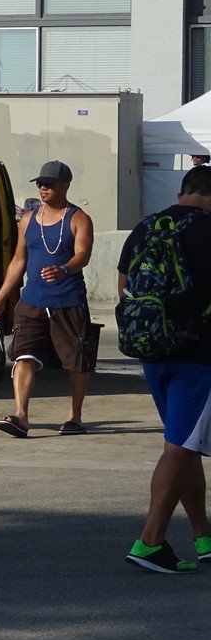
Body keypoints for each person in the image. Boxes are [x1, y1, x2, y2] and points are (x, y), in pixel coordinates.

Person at [119, 165, 211, 573]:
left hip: (152, 350)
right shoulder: (207, 230)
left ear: (183, 191)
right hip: (198, 356)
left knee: (185, 445)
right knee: (179, 448)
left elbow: (124, 283)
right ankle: (150, 542)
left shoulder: (146, 227)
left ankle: (203, 537)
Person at [0, 160, 95, 438]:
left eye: (49, 184)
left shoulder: (79, 218)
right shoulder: (28, 218)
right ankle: (21, 417)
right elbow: (18, 260)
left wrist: (65, 269)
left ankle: (75, 416)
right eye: (40, 184)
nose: (43, 188)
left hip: (68, 301)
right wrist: (0, 299)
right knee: (23, 356)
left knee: (76, 361)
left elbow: (83, 254)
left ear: (65, 185)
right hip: (32, 301)